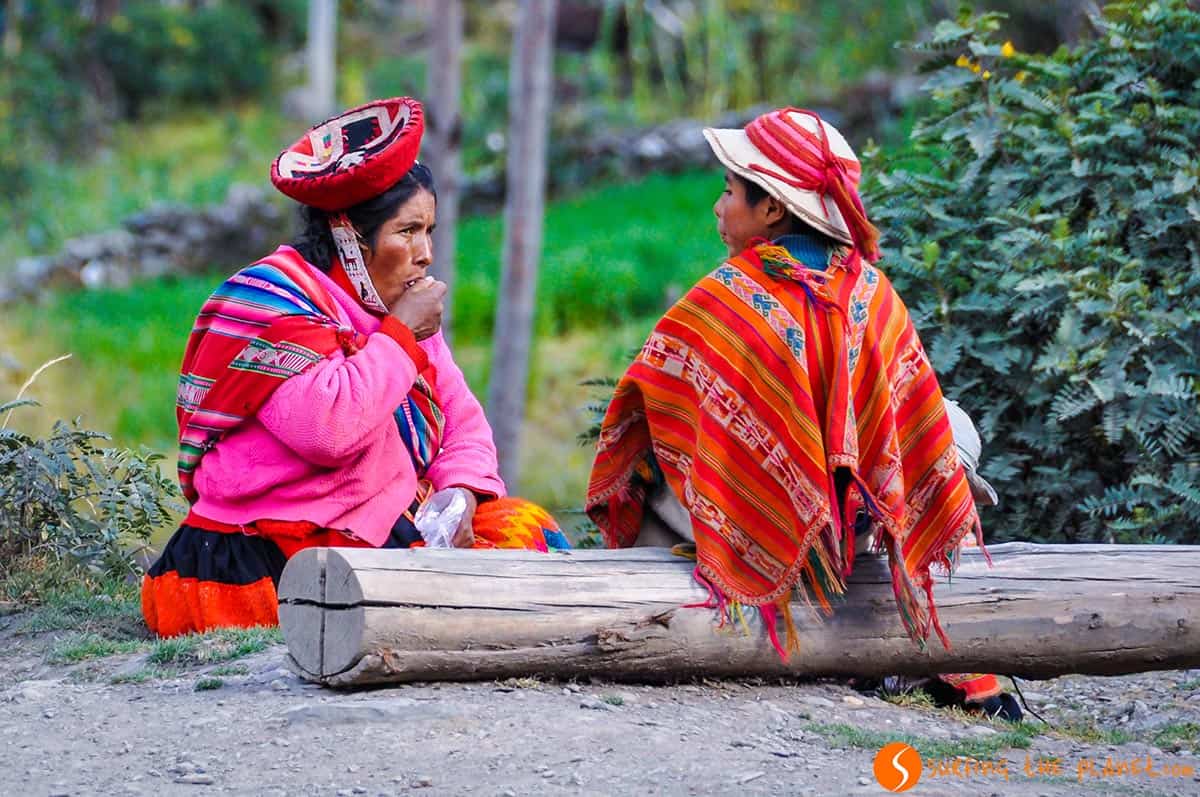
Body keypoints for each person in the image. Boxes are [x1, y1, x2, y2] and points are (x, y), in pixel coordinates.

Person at [586, 107, 1020, 719]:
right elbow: (907, 408)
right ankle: (888, 590)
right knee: (953, 427)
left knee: (662, 461)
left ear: (771, 210)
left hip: (750, 526)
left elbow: (634, 417)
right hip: (855, 532)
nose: (717, 205)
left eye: (729, 190)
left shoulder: (724, 300)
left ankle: (757, 578)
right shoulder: (872, 291)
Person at [143, 97, 568, 638]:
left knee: (528, 528)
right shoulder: (273, 306)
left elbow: (462, 419)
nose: (425, 253)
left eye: (429, 230)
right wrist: (398, 336)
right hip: (266, 557)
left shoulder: (390, 310)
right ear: (350, 236)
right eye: (407, 231)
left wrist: (460, 490)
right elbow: (329, 429)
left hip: (370, 526)